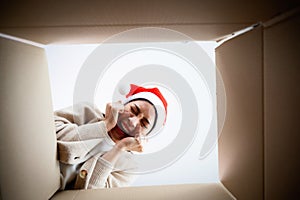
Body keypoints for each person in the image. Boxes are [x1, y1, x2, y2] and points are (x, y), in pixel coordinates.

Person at [54, 84, 167, 190]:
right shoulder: (87, 110)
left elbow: (92, 194)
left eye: (144, 124)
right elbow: (49, 134)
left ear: (144, 136)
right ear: (122, 104)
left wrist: (119, 148)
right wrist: (105, 125)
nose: (132, 122)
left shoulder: (130, 167)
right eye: (133, 110)